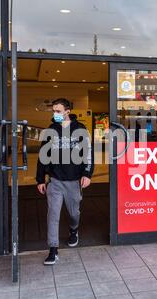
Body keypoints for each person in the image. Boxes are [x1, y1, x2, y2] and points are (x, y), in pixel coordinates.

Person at [36, 98, 94, 265]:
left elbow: (88, 153)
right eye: (54, 111)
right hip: (55, 180)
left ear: (67, 112)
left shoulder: (80, 129)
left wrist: (87, 174)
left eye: (58, 111)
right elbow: (43, 156)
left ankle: (74, 229)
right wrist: (40, 179)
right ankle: (53, 250)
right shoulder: (50, 130)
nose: (55, 114)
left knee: (74, 212)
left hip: (74, 181)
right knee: (52, 214)